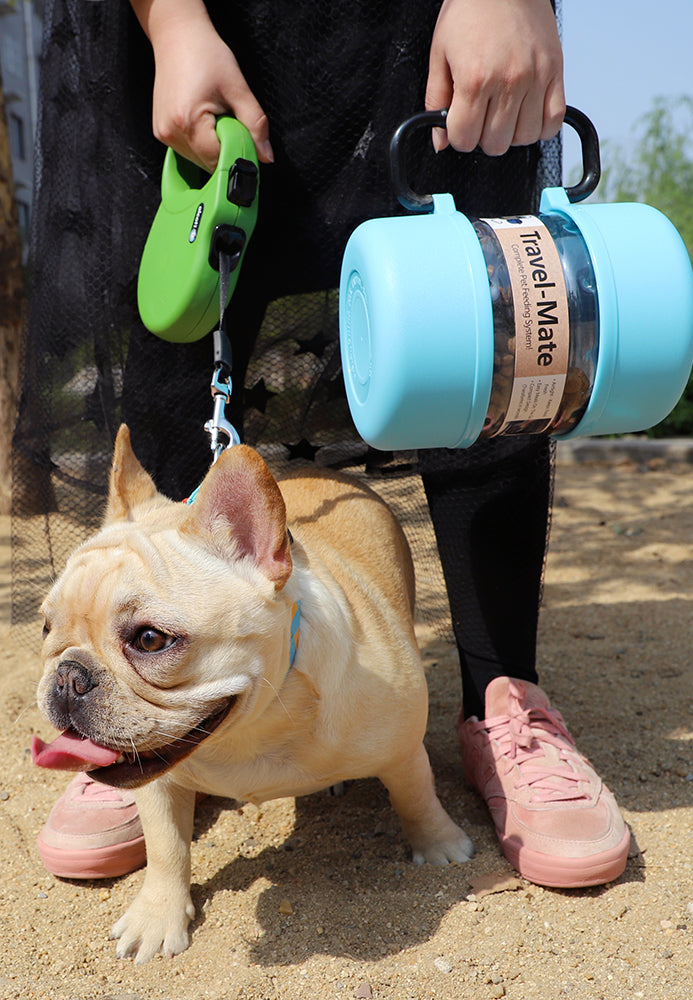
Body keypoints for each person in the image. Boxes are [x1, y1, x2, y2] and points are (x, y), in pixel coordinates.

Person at [22, 0, 629, 889]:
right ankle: (138, 745)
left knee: (484, 326)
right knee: (182, 306)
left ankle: (505, 697)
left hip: (419, 36)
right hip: (214, 24)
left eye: (147, 641)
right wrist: (172, 21)